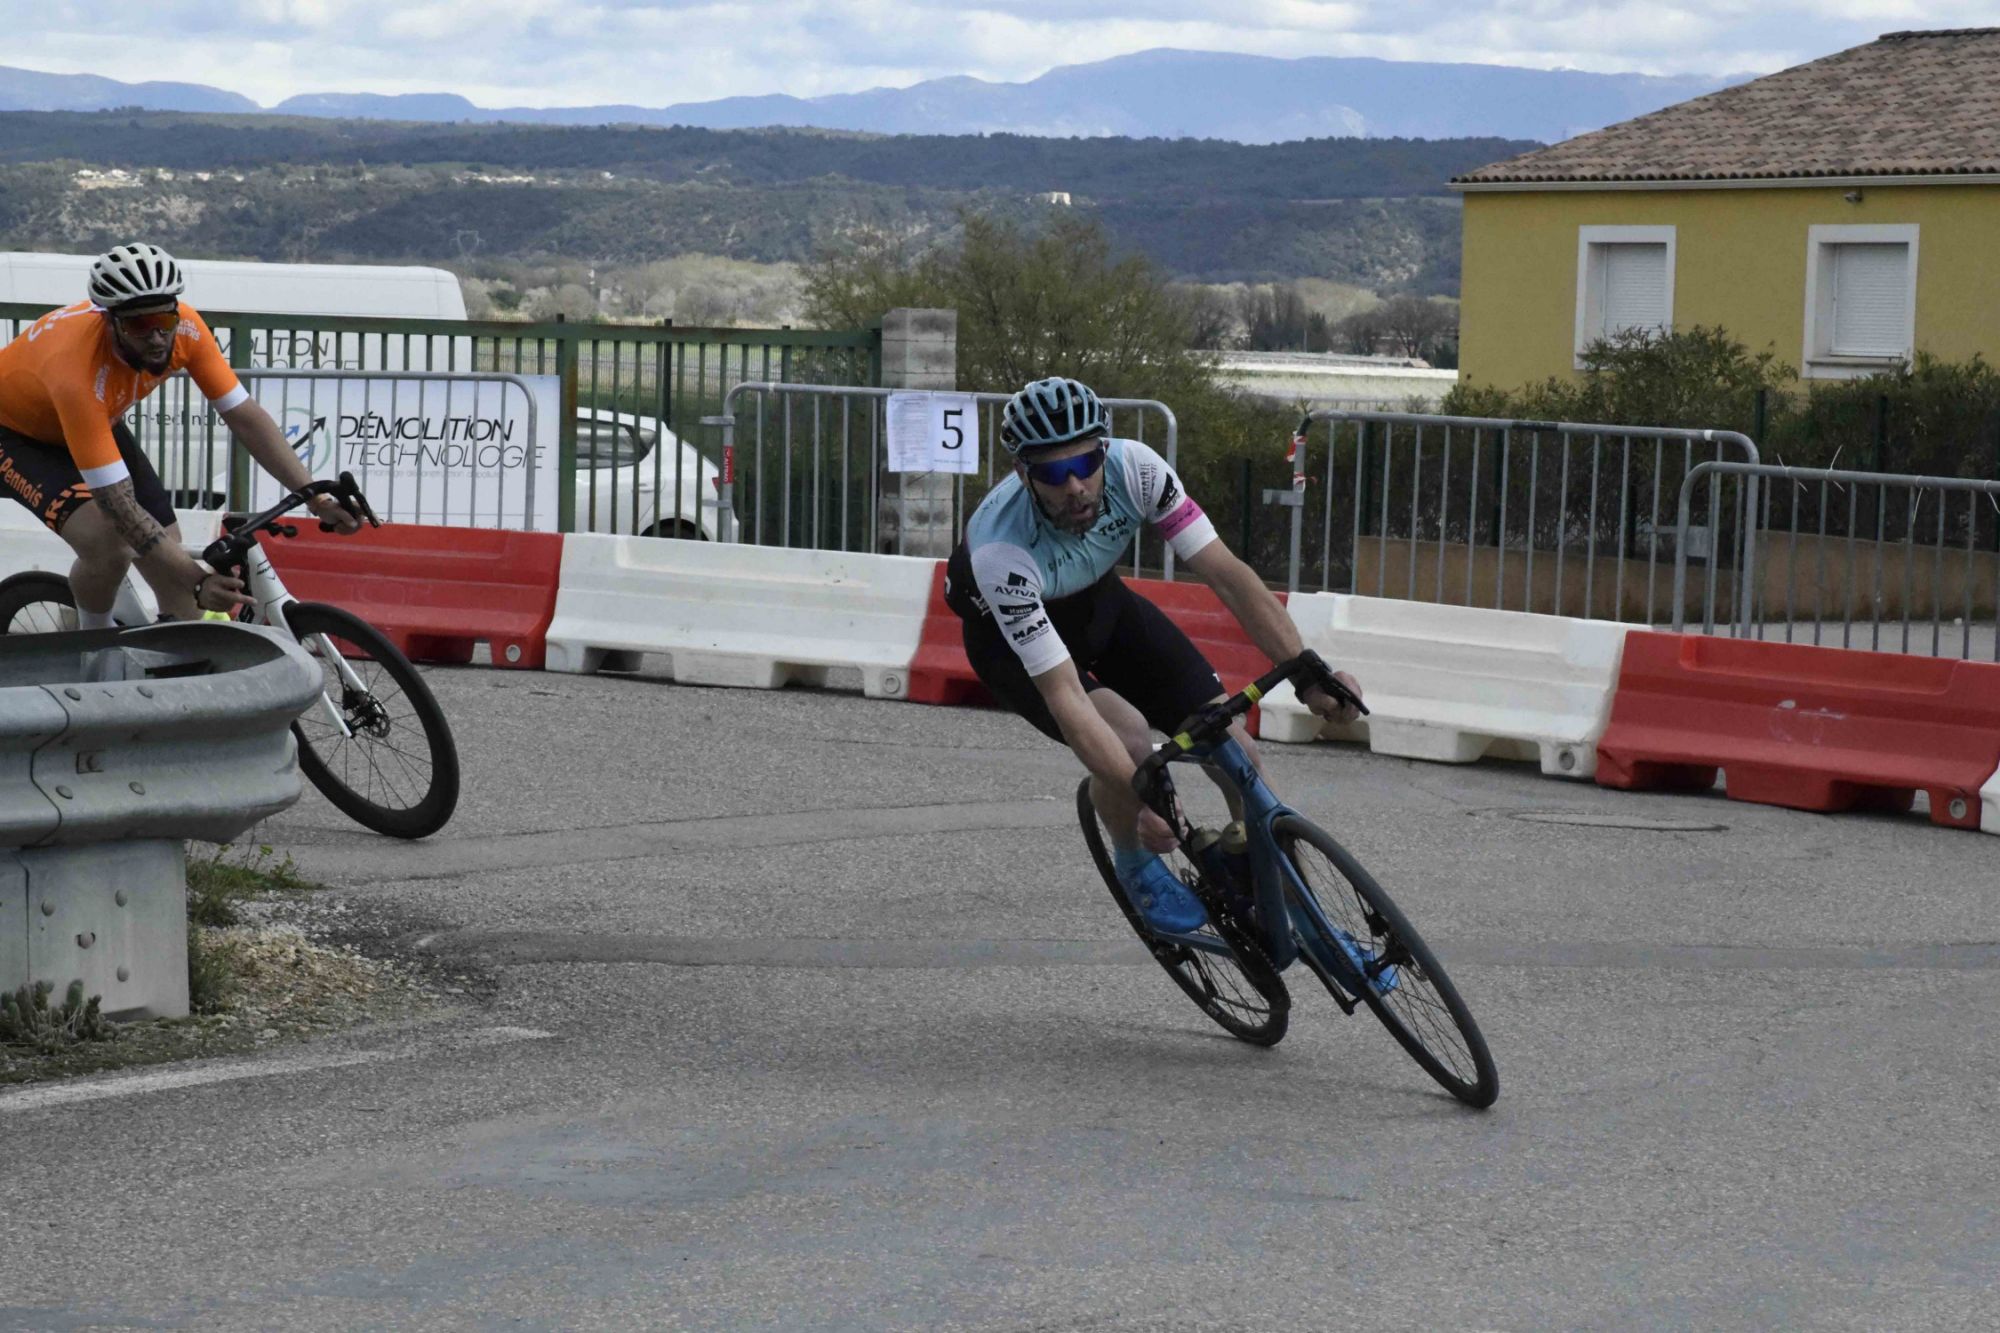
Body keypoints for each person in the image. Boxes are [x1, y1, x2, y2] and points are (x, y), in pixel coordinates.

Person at [946, 376, 1363, 933]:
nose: (1075, 486)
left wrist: (1308, 673)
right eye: (1052, 472)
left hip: (1102, 605)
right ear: (1023, 474)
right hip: (1009, 643)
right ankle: (1134, 861)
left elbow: (1228, 576)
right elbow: (1066, 695)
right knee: (1129, 742)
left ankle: (1279, 893)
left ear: (1105, 450)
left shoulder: (1137, 469)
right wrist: (1141, 794)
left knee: (1237, 751)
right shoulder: (1000, 549)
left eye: (1086, 462)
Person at [0, 242, 358, 625]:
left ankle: (173, 656)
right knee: (110, 545)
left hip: (92, 422)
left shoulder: (187, 328)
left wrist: (316, 497)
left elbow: (245, 416)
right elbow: (118, 505)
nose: (157, 337)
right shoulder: (77, 372)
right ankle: (92, 645)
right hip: (15, 434)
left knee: (173, 565)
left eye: (164, 320)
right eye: (139, 325)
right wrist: (198, 581)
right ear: (110, 322)